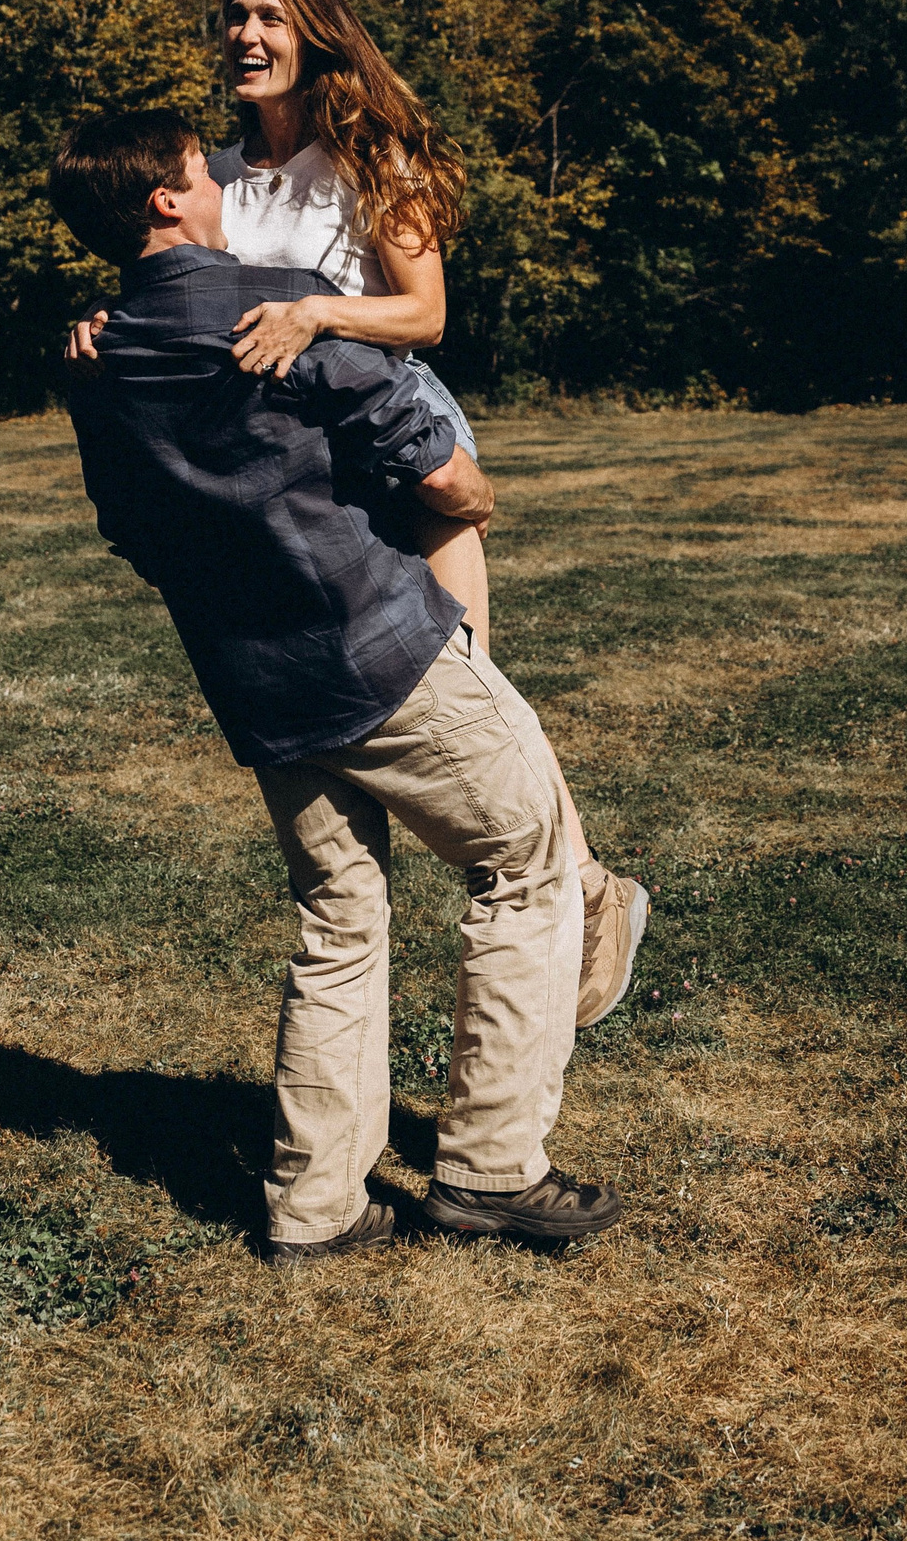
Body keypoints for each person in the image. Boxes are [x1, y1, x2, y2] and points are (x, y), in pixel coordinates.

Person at [50, 106, 626, 1262]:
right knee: (529, 863)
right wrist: (460, 505)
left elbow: (130, 526)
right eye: (192, 168)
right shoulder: (271, 303)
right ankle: (490, 1169)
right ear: (168, 200)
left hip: (256, 683)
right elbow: (446, 474)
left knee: (341, 915)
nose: (213, 174)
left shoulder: (99, 354)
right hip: (379, 652)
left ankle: (316, 1206)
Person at [66, 0, 647, 1030]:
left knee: (469, 678)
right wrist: (108, 322)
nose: (244, 36)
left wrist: (319, 314)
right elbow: (189, 288)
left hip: (399, 443)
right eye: (234, 17)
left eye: (269, 20)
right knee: (407, 703)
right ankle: (531, 902)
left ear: (315, 34)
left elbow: (423, 314)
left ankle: (583, 893)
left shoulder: (369, 154)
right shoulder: (223, 175)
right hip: (302, 474)